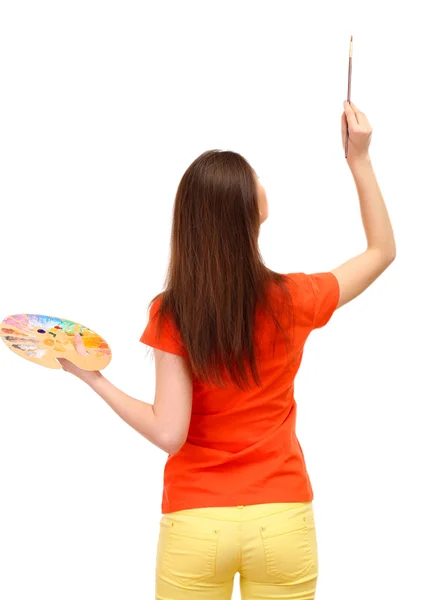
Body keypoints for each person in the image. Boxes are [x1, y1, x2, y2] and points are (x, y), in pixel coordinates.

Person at [58, 100, 396, 600]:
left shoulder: (173, 312)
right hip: (281, 518)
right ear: (251, 210)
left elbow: (169, 432)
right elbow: (381, 252)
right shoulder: (294, 299)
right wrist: (359, 159)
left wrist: (94, 377)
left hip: (196, 522)